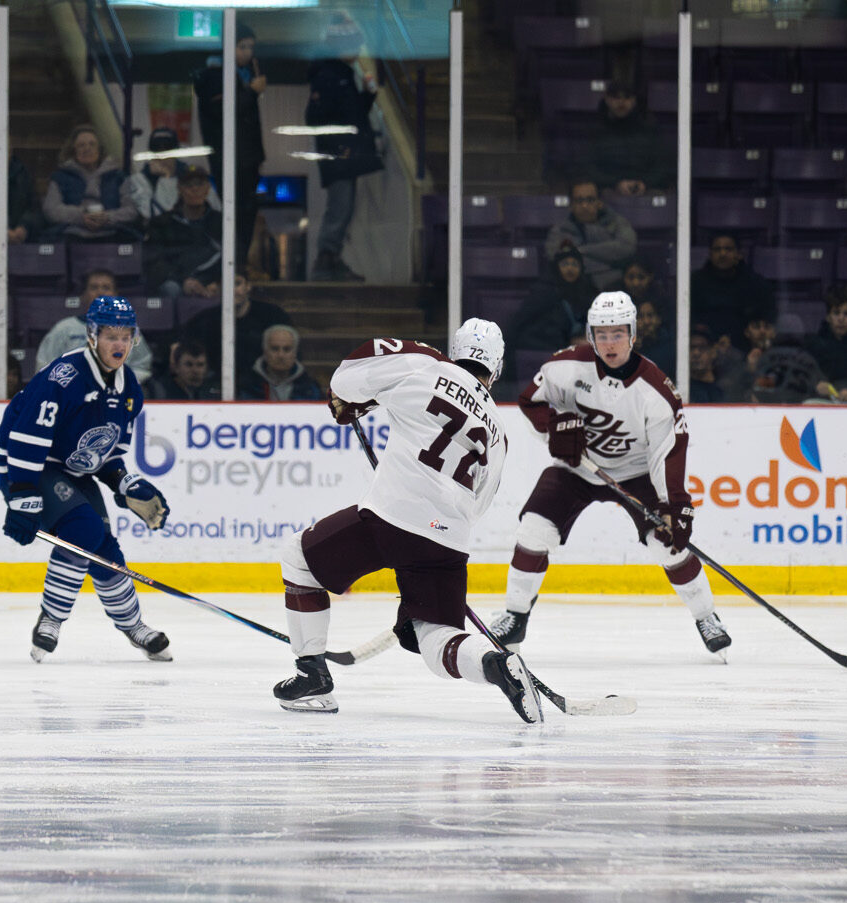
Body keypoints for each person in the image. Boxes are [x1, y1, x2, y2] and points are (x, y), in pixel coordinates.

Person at [271, 318, 541, 722]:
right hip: (449, 540)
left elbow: (347, 376)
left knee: (299, 558)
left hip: (392, 517)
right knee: (435, 638)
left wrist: (355, 401)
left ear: (455, 350)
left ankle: (312, 677)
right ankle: (494, 664)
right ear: (497, 369)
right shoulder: (498, 430)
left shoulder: (426, 365)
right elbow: (479, 503)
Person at [493, 293, 731, 659]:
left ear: (633, 334)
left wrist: (674, 505)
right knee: (534, 530)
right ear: (590, 335)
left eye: (617, 334)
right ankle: (515, 616)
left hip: (636, 474)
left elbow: (668, 451)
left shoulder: (655, 390)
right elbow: (531, 401)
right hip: (578, 468)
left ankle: (706, 616)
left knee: (667, 544)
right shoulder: (565, 366)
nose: (609, 344)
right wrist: (555, 427)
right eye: (601, 335)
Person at [0, 296, 172, 663]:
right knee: (83, 530)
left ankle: (133, 625)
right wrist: (21, 494)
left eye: (126, 337)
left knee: (103, 547)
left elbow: (105, 455)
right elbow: (26, 438)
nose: (119, 345)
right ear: (92, 336)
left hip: (73, 471)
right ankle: (52, 619)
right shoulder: (64, 376)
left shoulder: (129, 388)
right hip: (28, 466)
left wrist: (125, 483)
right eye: (111, 336)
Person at [305, 13, 384, 282]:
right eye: (353, 45)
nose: (358, 51)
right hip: (340, 155)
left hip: (344, 154)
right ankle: (326, 259)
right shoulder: (329, 76)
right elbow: (317, 118)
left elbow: (350, 114)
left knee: (344, 207)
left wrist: (368, 95)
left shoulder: (341, 75)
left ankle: (331, 259)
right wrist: (339, 146)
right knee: (340, 207)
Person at [193, 25, 265, 259]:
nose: (248, 52)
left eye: (251, 47)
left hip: (245, 157)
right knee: (236, 210)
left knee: (245, 211)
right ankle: (233, 260)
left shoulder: (241, 75)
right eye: (242, 46)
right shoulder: (215, 76)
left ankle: (238, 260)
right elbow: (224, 111)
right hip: (231, 157)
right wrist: (251, 92)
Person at [35, 269, 155, 381]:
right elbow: (44, 367)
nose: (100, 293)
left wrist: (120, 382)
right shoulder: (64, 329)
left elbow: (142, 367)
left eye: (106, 288)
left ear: (115, 296)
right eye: (94, 288)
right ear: (83, 296)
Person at [176, 270, 293, 382]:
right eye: (226, 285)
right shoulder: (202, 321)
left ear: (248, 286)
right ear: (219, 289)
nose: (232, 290)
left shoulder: (273, 316)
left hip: (262, 385)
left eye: (237, 284)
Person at [42, 125, 138, 241]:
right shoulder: (61, 177)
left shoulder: (118, 177)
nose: (87, 149)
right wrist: (81, 216)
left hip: (113, 234)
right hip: (72, 235)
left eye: (92, 144)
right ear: (73, 150)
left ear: (100, 149)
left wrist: (107, 217)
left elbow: (131, 210)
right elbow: (51, 209)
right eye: (81, 145)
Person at [143, 168, 223, 299]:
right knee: (171, 288)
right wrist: (184, 280)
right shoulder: (162, 223)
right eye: (188, 185)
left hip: (212, 283)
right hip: (177, 283)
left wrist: (215, 282)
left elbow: (233, 257)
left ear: (208, 188)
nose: (195, 189)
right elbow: (155, 262)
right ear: (179, 189)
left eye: (199, 184)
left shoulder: (221, 222)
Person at [542, 181, 638, 289]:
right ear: (571, 205)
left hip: (613, 288)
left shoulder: (617, 223)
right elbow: (555, 259)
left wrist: (580, 251)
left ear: (599, 202)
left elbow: (627, 249)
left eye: (590, 200)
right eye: (579, 201)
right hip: (572, 290)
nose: (584, 206)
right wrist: (610, 263)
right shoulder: (559, 230)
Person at [585, 82, 674, 197]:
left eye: (627, 97)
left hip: (647, 189)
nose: (621, 102)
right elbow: (588, 167)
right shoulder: (596, 130)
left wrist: (645, 183)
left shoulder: (649, 128)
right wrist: (615, 183)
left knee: (658, 197)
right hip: (607, 190)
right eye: (616, 97)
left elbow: (663, 165)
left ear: (634, 100)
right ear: (607, 99)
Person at [692, 232, 777, 351]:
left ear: (739, 254)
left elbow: (766, 319)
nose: (722, 254)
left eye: (728, 249)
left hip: (745, 348)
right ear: (710, 254)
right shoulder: (695, 282)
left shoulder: (756, 284)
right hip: (705, 349)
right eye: (717, 249)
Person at [508, 243, 599, 354]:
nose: (570, 268)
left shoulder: (587, 292)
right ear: (556, 267)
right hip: (544, 350)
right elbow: (521, 324)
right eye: (565, 264)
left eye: (575, 264)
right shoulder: (543, 293)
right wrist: (569, 342)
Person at [123, 127, 219, 225]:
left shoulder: (192, 176)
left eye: (168, 150)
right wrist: (164, 177)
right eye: (157, 150)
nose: (163, 156)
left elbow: (216, 208)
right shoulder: (139, 180)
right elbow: (151, 215)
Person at [239, 324, 323, 402]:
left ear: (295, 353)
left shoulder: (310, 389)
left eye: (287, 349)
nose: (281, 355)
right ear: (265, 351)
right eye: (275, 349)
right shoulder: (248, 387)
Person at [146, 341, 221, 401]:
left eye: (200, 365)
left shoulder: (211, 393)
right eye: (189, 365)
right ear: (176, 367)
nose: (195, 371)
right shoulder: (160, 393)